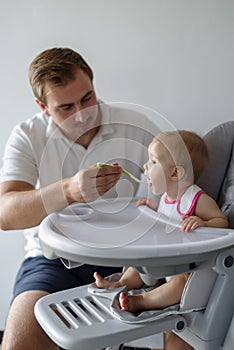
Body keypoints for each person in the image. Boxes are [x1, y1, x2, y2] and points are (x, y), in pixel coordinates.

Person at [0, 47, 159, 350]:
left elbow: (182, 186)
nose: (82, 115)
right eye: (66, 107)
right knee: (20, 338)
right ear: (43, 106)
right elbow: (6, 214)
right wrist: (70, 191)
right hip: (53, 262)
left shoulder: (136, 125)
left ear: (93, 84)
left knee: (191, 307)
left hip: (133, 257)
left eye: (87, 98)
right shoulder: (27, 136)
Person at [94, 130, 228, 350]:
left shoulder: (195, 198)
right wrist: (154, 209)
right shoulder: (166, 198)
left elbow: (221, 222)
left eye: (153, 161)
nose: (145, 167)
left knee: (179, 285)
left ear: (175, 173)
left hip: (185, 269)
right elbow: (168, 218)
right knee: (137, 267)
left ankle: (140, 302)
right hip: (163, 262)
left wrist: (203, 223)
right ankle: (119, 283)